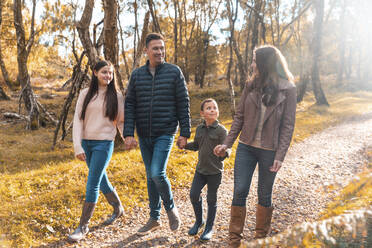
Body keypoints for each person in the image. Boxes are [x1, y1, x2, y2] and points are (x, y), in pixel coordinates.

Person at [214, 45, 297, 247]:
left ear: (264, 64)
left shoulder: (288, 88)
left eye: (254, 60)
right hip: (246, 147)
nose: (252, 64)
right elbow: (239, 117)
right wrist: (227, 144)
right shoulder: (251, 85)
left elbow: (288, 125)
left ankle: (260, 240)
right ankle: (234, 240)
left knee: (264, 194)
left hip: (270, 151)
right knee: (240, 190)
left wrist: (280, 156)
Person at [124, 33, 191, 234]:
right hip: (144, 134)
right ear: (146, 50)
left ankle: (170, 208)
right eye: (155, 48)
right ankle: (154, 218)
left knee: (157, 173)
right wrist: (129, 133)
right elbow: (130, 105)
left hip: (165, 131)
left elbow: (183, 102)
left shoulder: (174, 72)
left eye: (162, 48)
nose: (160, 52)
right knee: (150, 175)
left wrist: (185, 132)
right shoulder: (136, 75)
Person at [68, 60, 125, 242]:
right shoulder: (85, 94)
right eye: (104, 72)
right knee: (100, 179)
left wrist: (129, 138)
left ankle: (82, 226)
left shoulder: (116, 95)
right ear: (95, 73)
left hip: (104, 144)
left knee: (92, 181)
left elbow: (121, 122)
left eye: (110, 73)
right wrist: (77, 145)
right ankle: (118, 208)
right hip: (86, 143)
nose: (108, 76)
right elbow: (78, 120)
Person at [184, 98, 230, 241]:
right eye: (208, 108)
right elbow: (197, 145)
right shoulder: (199, 129)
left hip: (215, 172)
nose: (212, 110)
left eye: (214, 107)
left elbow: (228, 149)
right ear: (202, 113)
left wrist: (224, 152)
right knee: (193, 194)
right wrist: (184, 145)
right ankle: (199, 221)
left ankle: (209, 227)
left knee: (211, 199)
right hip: (201, 170)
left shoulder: (222, 130)